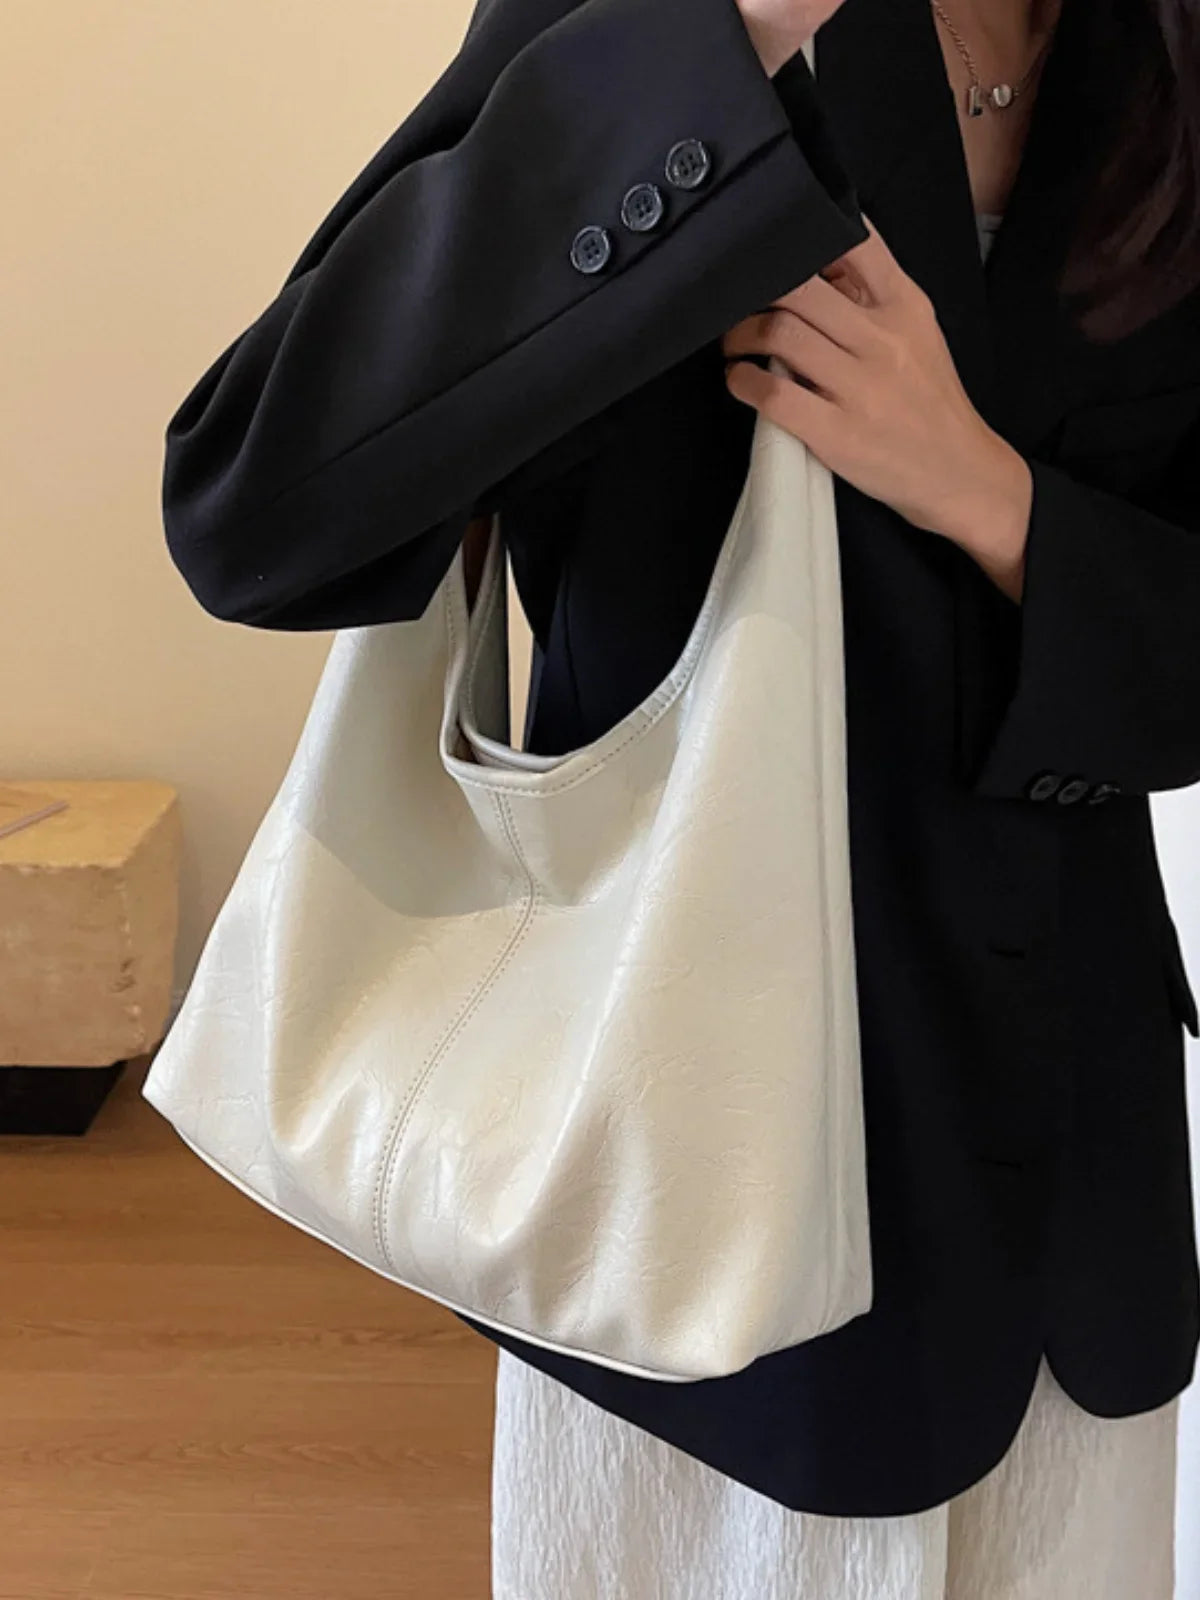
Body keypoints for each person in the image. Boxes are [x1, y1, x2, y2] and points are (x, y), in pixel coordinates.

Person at [160, 0, 1200, 1590]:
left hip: (1079, 1214)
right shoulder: (668, 15)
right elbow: (251, 505)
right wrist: (718, 44)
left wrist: (992, 499)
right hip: (678, 1188)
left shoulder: (1164, 59)